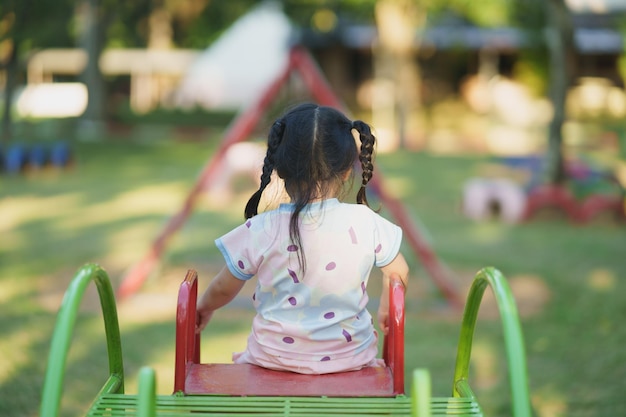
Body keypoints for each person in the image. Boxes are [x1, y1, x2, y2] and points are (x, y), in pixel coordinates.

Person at [196, 103, 409, 374]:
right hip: (350, 361)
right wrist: (387, 309)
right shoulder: (366, 222)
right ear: (346, 172)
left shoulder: (262, 228)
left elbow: (224, 288)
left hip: (273, 361)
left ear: (280, 172)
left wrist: (203, 306)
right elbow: (398, 273)